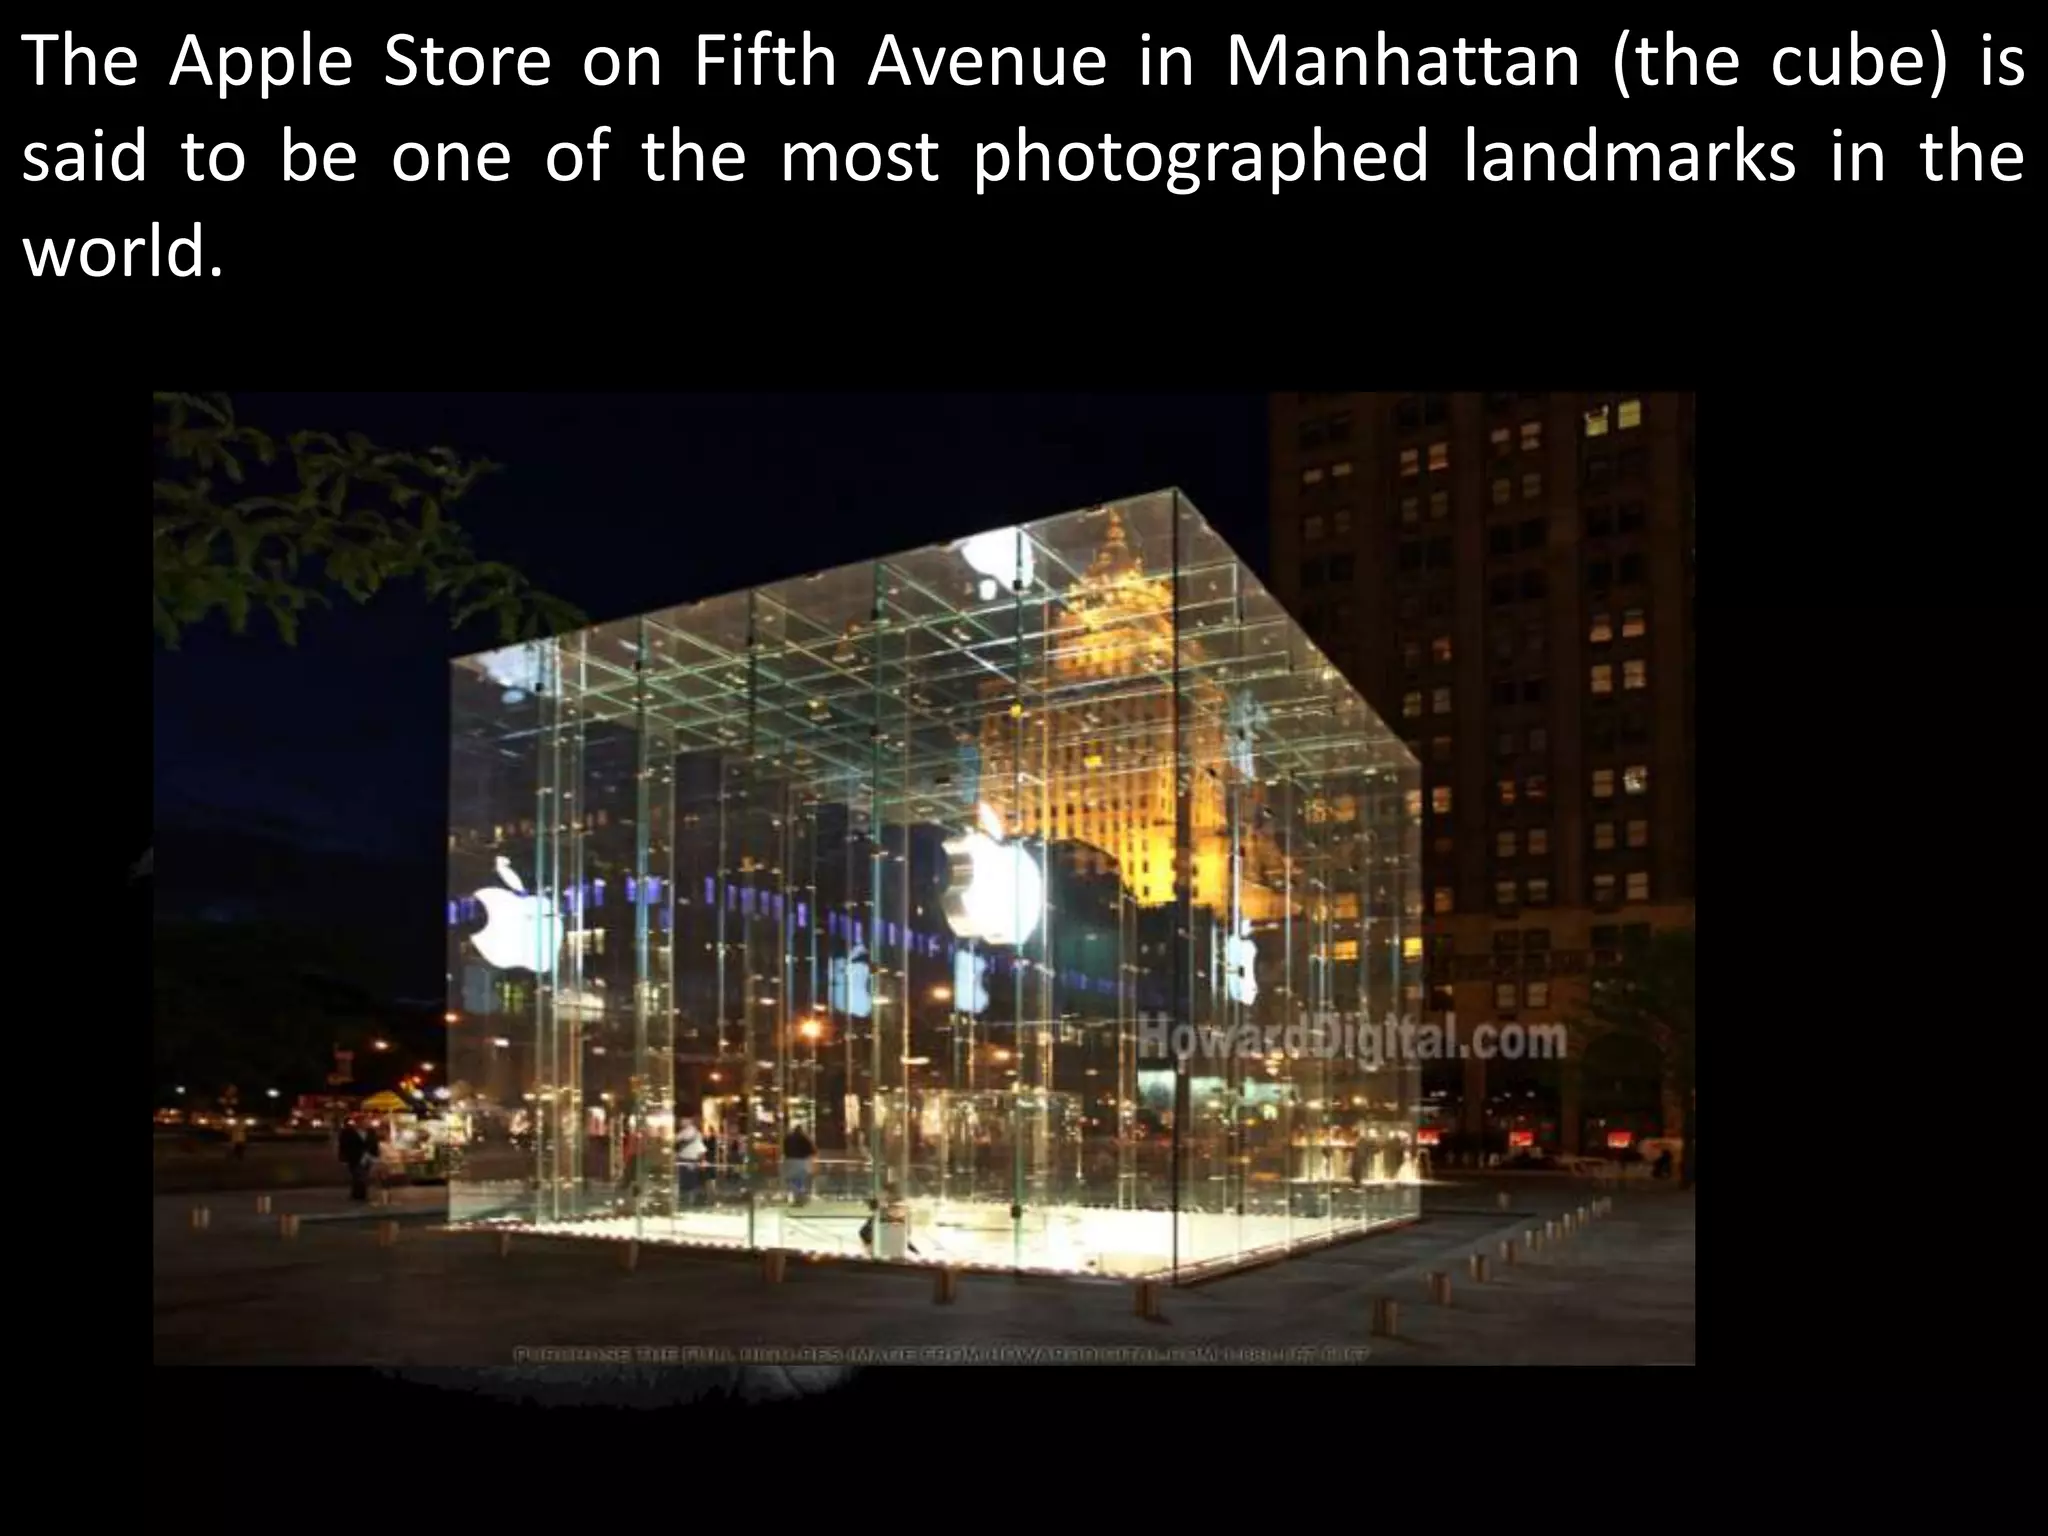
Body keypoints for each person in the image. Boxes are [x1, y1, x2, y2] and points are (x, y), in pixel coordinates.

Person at [676, 1119, 708, 1205]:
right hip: (689, 1160)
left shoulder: (688, 1135)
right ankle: (689, 1199)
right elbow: (702, 1152)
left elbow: (702, 1152)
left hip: (686, 1160)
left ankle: (687, 1199)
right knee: (690, 1181)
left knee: (687, 1181)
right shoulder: (696, 1136)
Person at [782, 1124, 815, 1206]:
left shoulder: (788, 1138)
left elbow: (785, 1149)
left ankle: (798, 1196)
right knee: (800, 1179)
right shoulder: (805, 1138)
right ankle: (801, 1196)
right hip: (802, 1161)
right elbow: (811, 1150)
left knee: (794, 1180)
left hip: (790, 1161)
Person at [338, 1119, 368, 1201]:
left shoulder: (344, 1133)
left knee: (356, 1176)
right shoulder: (355, 1133)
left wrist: (342, 1158)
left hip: (352, 1157)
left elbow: (342, 1146)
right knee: (359, 1176)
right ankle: (360, 1194)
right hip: (358, 1157)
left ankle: (357, 1194)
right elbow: (362, 1144)